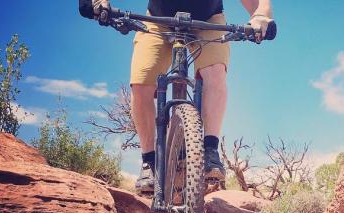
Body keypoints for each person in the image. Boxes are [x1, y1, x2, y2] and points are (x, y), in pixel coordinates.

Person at [79, 0, 273, 193]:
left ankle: (210, 151)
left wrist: (261, 16)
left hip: (208, 20)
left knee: (215, 72)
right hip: (157, 19)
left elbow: (258, 4)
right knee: (141, 83)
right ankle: (149, 162)